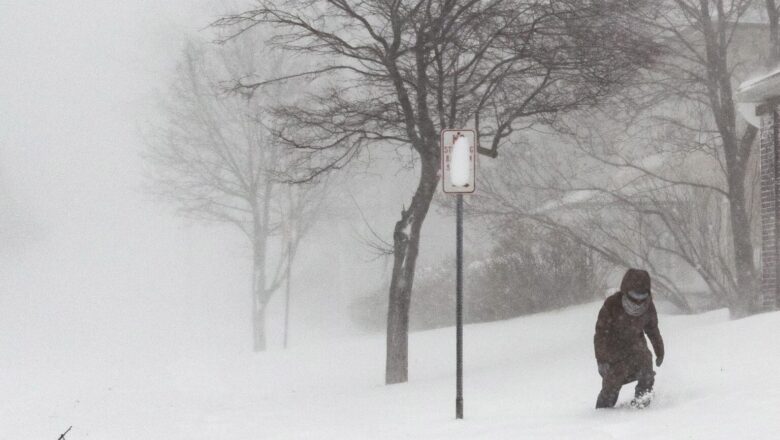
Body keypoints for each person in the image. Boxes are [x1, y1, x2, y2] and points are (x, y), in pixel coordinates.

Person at [593, 268, 664, 409]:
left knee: (646, 371)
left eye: (642, 296)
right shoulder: (612, 304)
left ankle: (643, 401)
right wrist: (601, 360)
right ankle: (602, 413)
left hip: (637, 347)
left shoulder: (648, 306)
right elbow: (601, 334)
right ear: (625, 291)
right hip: (613, 351)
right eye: (634, 295)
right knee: (612, 385)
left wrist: (659, 350)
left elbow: (652, 329)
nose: (638, 301)